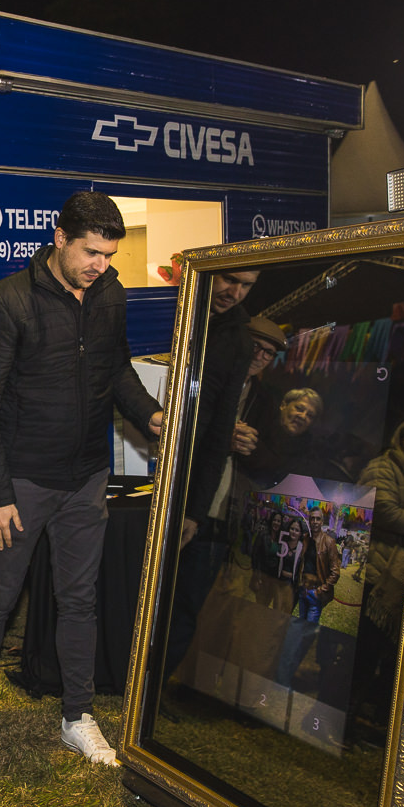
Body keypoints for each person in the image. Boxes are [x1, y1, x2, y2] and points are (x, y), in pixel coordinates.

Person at [0, 191, 163, 763]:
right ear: (60, 238)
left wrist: (150, 415)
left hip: (87, 476)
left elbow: (116, 369)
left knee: (79, 600)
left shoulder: (110, 293)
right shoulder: (7, 302)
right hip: (22, 480)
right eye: (91, 252)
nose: (101, 265)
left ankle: (77, 714)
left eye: (109, 255)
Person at [161, 271, 258, 678]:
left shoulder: (238, 342)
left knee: (180, 600)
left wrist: (194, 512)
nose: (235, 292)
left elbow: (218, 435)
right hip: (138, 467)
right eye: (230, 279)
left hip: (187, 485)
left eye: (247, 285)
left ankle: (151, 689)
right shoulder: (171, 313)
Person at [348, 417, 404, 735]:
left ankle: (370, 717)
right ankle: (342, 719)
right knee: (364, 651)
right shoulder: (383, 466)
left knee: (387, 652)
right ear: (399, 440)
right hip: (373, 570)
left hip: (397, 573)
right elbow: (382, 508)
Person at [274, 509, 341, 687]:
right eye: (312, 519)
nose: (315, 521)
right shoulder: (306, 539)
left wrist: (321, 590)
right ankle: (283, 676)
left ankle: (287, 677)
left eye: (318, 519)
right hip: (303, 592)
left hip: (315, 596)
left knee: (304, 638)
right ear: (309, 521)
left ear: (322, 521)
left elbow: (335, 572)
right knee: (296, 635)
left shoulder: (329, 542)